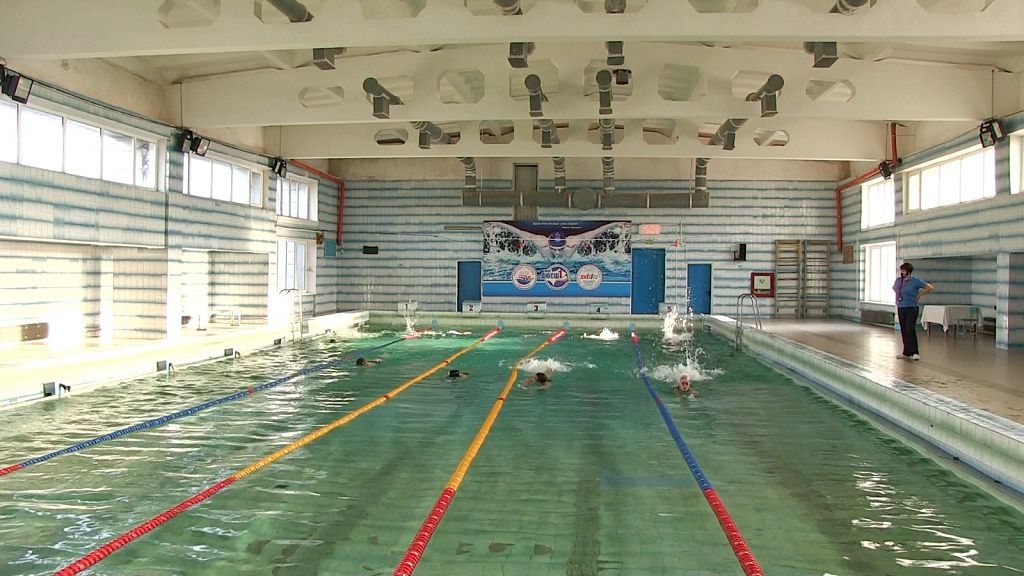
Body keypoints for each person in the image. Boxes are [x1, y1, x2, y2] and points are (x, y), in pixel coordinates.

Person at [893, 262, 934, 361]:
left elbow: (929, 287)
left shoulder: (915, 280)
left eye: (904, 270)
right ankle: (906, 352)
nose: (902, 272)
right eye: (901, 270)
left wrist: (919, 295)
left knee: (910, 329)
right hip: (901, 307)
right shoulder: (898, 281)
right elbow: (894, 288)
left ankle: (915, 352)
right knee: (904, 330)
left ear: (909, 271)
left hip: (912, 307)